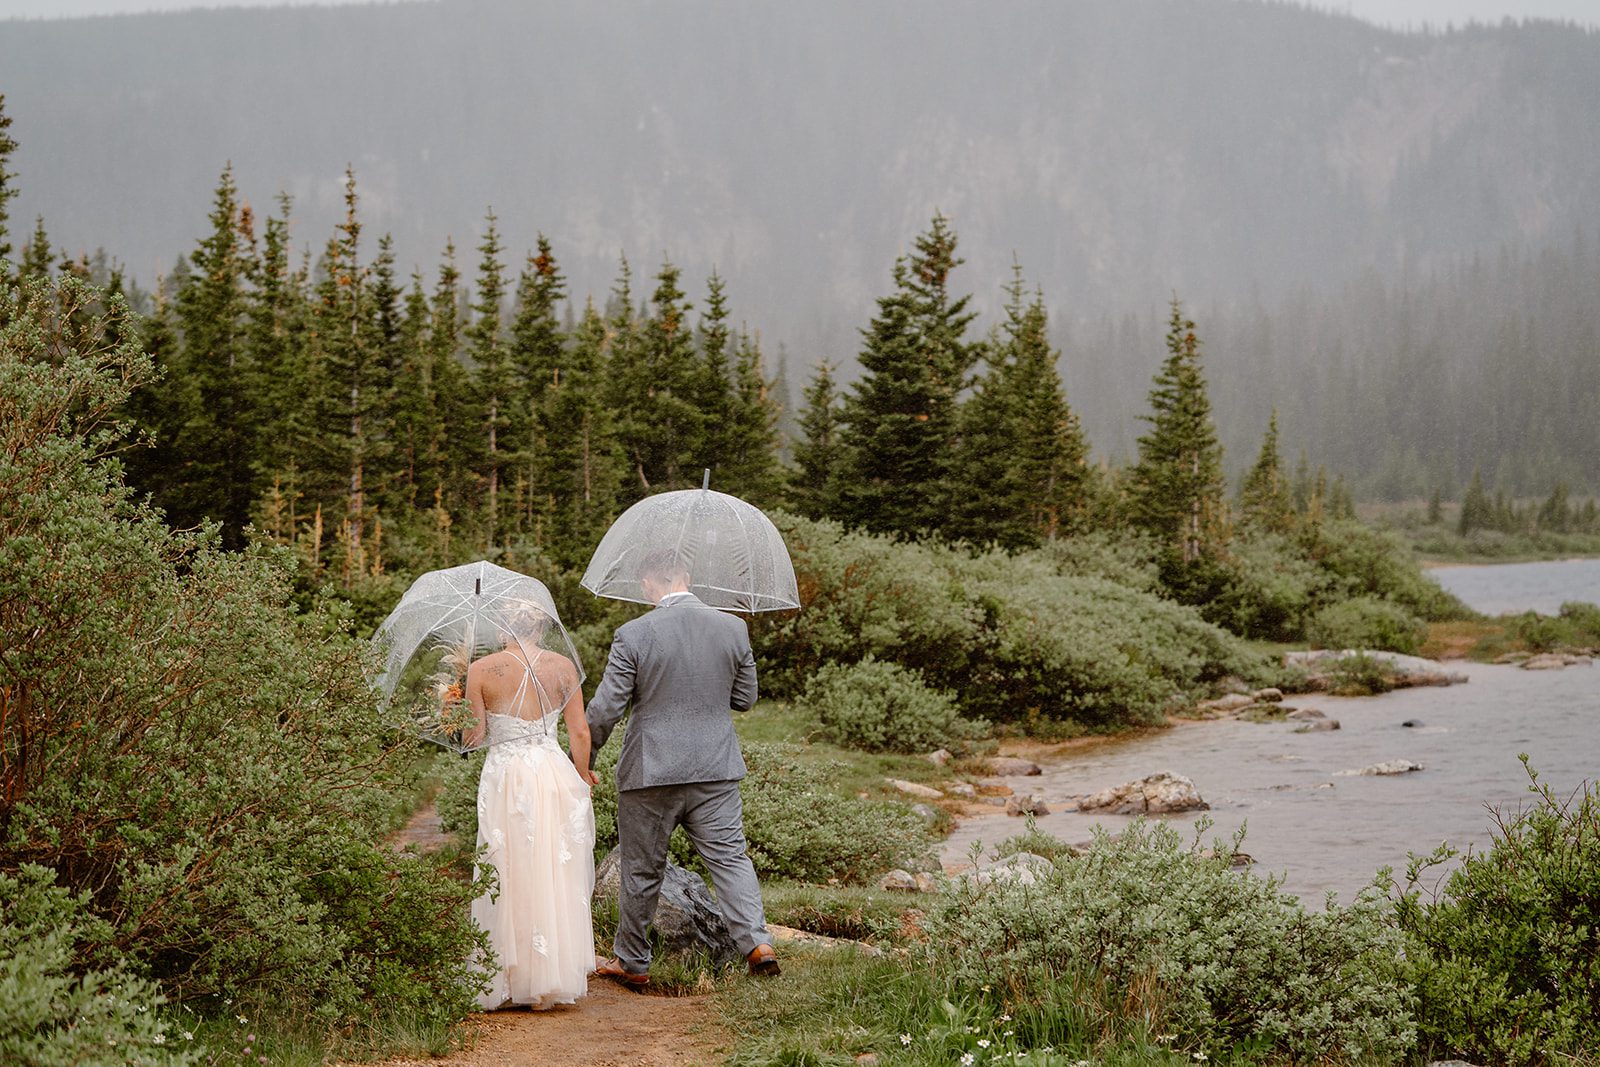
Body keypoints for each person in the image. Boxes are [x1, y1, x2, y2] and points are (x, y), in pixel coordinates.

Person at [586, 549, 779, 987]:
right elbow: (745, 699)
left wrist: (586, 757)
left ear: (649, 584)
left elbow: (605, 710)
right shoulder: (734, 628)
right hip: (715, 767)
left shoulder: (633, 634)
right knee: (730, 858)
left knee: (641, 868)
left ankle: (633, 964)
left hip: (649, 772)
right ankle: (757, 943)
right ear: (687, 577)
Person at [464, 606, 601, 1010]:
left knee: (506, 866)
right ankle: (550, 976)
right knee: (552, 868)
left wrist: (450, 706)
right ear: (542, 626)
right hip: (552, 772)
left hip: (506, 776)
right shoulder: (562, 667)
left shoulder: (482, 669)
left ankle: (506, 976)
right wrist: (582, 776)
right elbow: (579, 730)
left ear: (501, 627)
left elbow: (473, 738)